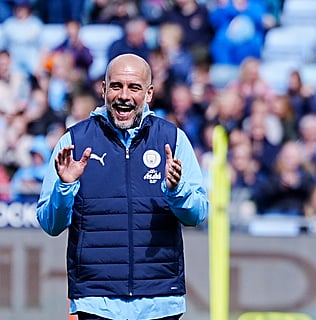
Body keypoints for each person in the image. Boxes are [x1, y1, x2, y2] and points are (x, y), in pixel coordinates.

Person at [36, 53, 209, 320]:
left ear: (149, 93)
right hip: (95, 299)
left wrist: (176, 190)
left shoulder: (173, 139)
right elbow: (50, 224)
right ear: (103, 89)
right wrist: (65, 187)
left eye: (134, 87)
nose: (124, 95)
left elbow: (197, 214)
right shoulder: (74, 141)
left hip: (160, 299)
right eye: (116, 86)